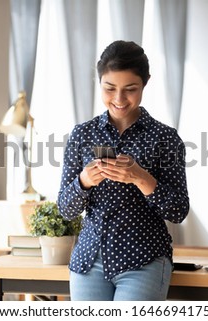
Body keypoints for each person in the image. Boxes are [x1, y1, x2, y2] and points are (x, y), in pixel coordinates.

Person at [57, 40, 189, 301]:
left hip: (144, 259)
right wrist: (83, 181)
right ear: (100, 83)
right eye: (110, 88)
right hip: (89, 261)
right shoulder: (82, 134)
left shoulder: (165, 138)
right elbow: (65, 208)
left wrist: (142, 178)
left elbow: (178, 211)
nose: (119, 99)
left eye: (130, 89)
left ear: (145, 83)